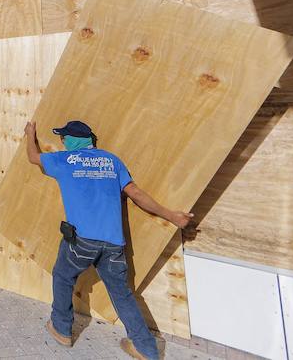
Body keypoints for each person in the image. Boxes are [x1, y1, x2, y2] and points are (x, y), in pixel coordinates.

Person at [25, 120, 193, 360]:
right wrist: (172, 216)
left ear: (72, 140)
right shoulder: (112, 161)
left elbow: (34, 157)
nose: (62, 142)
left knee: (63, 276)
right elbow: (135, 194)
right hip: (114, 244)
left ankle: (62, 329)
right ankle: (145, 348)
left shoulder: (64, 160)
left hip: (81, 241)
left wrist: (29, 134)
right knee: (121, 293)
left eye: (64, 138)